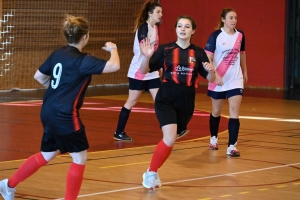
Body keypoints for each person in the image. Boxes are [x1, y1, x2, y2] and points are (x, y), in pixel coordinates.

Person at [0, 14, 120, 200]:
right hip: (65, 114)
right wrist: (113, 49)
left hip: (47, 110)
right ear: (85, 37)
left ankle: (8, 185)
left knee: (47, 153)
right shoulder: (83, 60)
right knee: (79, 158)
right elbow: (114, 66)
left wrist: (58, 88)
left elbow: (38, 76)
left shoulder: (57, 54)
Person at [138, 15, 216, 190]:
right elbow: (143, 70)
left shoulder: (198, 53)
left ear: (193, 30)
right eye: (180, 26)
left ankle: (153, 172)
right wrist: (147, 57)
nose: (183, 29)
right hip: (166, 97)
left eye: (187, 26)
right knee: (170, 136)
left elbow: (213, 78)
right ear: (175, 29)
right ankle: (151, 172)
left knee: (170, 140)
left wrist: (211, 71)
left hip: (186, 100)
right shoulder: (165, 49)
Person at [204, 8, 248, 157]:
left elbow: (242, 54)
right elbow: (208, 57)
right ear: (223, 19)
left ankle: (231, 146)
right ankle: (213, 138)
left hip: (235, 78)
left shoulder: (240, 35)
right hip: (219, 79)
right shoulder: (215, 36)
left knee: (234, 112)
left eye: (235, 17)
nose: (234, 20)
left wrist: (245, 71)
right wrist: (214, 74)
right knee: (216, 111)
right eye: (230, 17)